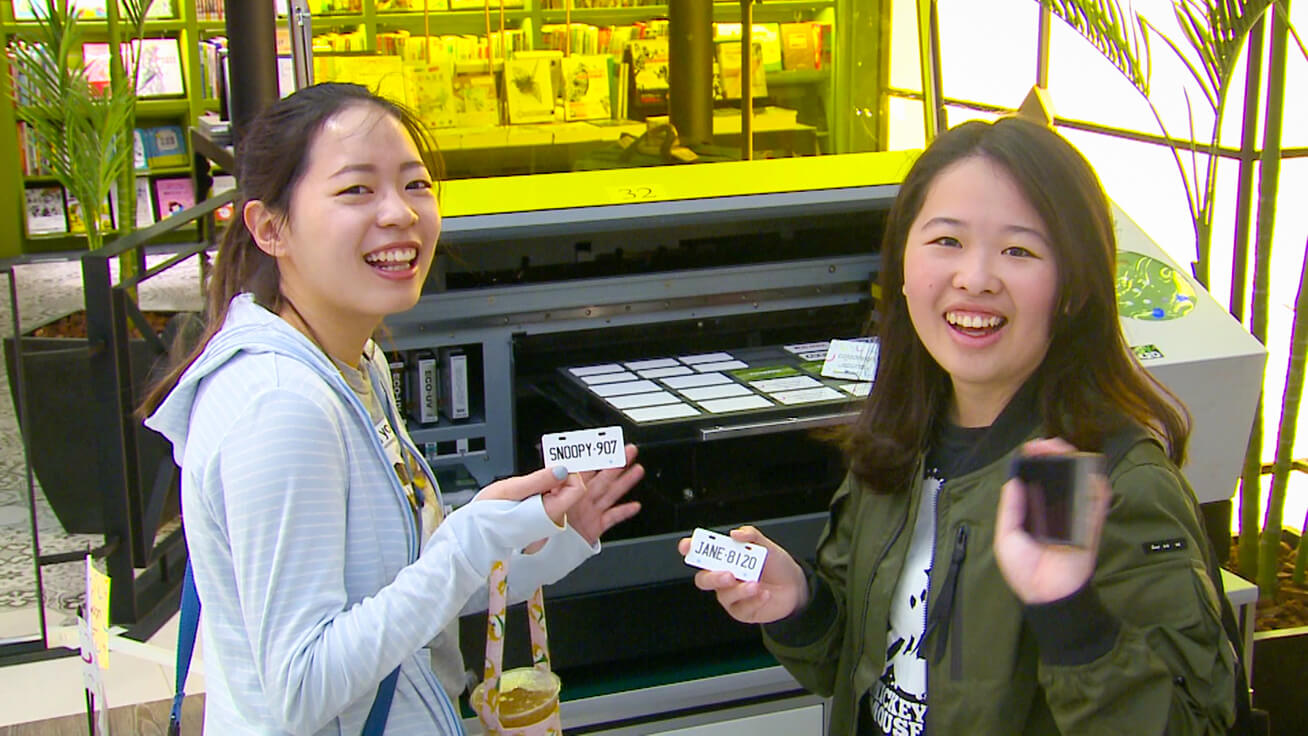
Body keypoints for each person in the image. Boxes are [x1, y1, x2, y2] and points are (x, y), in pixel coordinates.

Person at [680, 117, 1237, 735]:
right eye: (946, 241)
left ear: (1074, 287)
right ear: (901, 267)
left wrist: (1069, 614)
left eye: (1019, 250)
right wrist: (799, 604)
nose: (975, 278)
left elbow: (1197, 726)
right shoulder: (901, 441)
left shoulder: (1104, 480)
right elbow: (871, 664)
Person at [140, 83, 644, 735]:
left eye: (415, 184)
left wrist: (542, 545)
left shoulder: (355, 364)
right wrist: (468, 541)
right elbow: (300, 688)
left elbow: (397, 595)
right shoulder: (281, 407)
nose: (401, 214)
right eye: (357, 189)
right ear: (270, 227)